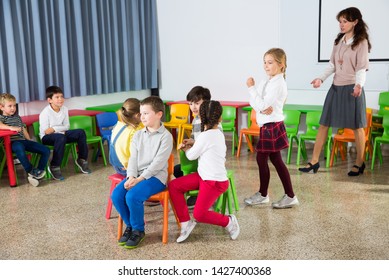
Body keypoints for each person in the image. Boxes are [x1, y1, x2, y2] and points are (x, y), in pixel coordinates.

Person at [298, 7, 371, 177]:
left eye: (345, 21)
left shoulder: (361, 42)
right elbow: (332, 65)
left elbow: (361, 68)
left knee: (357, 126)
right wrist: (321, 79)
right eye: (340, 21)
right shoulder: (338, 41)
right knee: (324, 124)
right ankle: (314, 161)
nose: (341, 24)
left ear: (355, 22)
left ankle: (359, 163)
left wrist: (359, 85)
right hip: (336, 88)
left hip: (353, 88)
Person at [169, 100, 240, 243]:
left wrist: (185, 147)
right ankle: (185, 223)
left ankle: (228, 221)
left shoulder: (205, 136)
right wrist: (194, 143)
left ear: (200, 118)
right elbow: (207, 145)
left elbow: (191, 156)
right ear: (219, 118)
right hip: (204, 176)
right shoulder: (216, 132)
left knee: (199, 214)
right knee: (174, 186)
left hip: (215, 182)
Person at [111, 96, 173, 249]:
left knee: (132, 196)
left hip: (156, 177)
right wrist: (131, 176)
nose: (142, 117)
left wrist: (138, 180)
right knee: (117, 195)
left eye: (146, 113)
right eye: (141, 113)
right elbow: (132, 159)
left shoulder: (166, 137)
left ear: (159, 114)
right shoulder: (138, 135)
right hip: (136, 175)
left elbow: (158, 164)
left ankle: (139, 230)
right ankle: (131, 226)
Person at [244, 48, 299, 209]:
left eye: (270, 62)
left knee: (262, 158)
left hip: (272, 125)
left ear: (281, 65)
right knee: (276, 160)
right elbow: (254, 104)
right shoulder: (267, 81)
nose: (266, 66)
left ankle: (264, 194)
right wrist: (260, 105)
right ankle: (289, 195)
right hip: (268, 125)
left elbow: (260, 103)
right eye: (264, 62)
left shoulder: (278, 84)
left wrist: (251, 89)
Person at [39, 86, 91, 180]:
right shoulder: (45, 112)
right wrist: (57, 130)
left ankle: (82, 160)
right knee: (60, 138)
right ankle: (54, 166)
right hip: (47, 137)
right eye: (57, 97)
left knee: (80, 132)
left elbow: (67, 126)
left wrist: (54, 128)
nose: (60, 99)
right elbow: (47, 131)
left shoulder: (64, 109)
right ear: (50, 100)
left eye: (61, 96)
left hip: (62, 134)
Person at [0, 93, 50, 187]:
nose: (13, 108)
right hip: (12, 143)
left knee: (46, 150)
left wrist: (30, 140)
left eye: (14, 105)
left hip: (23, 141)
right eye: (9, 106)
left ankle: (37, 173)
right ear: (2, 107)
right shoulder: (1, 118)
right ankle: (31, 170)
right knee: (19, 146)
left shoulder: (17, 117)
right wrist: (11, 128)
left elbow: (23, 129)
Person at [109, 98, 142, 176]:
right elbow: (136, 154)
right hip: (126, 168)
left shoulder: (118, 124)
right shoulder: (135, 131)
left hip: (116, 165)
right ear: (138, 115)